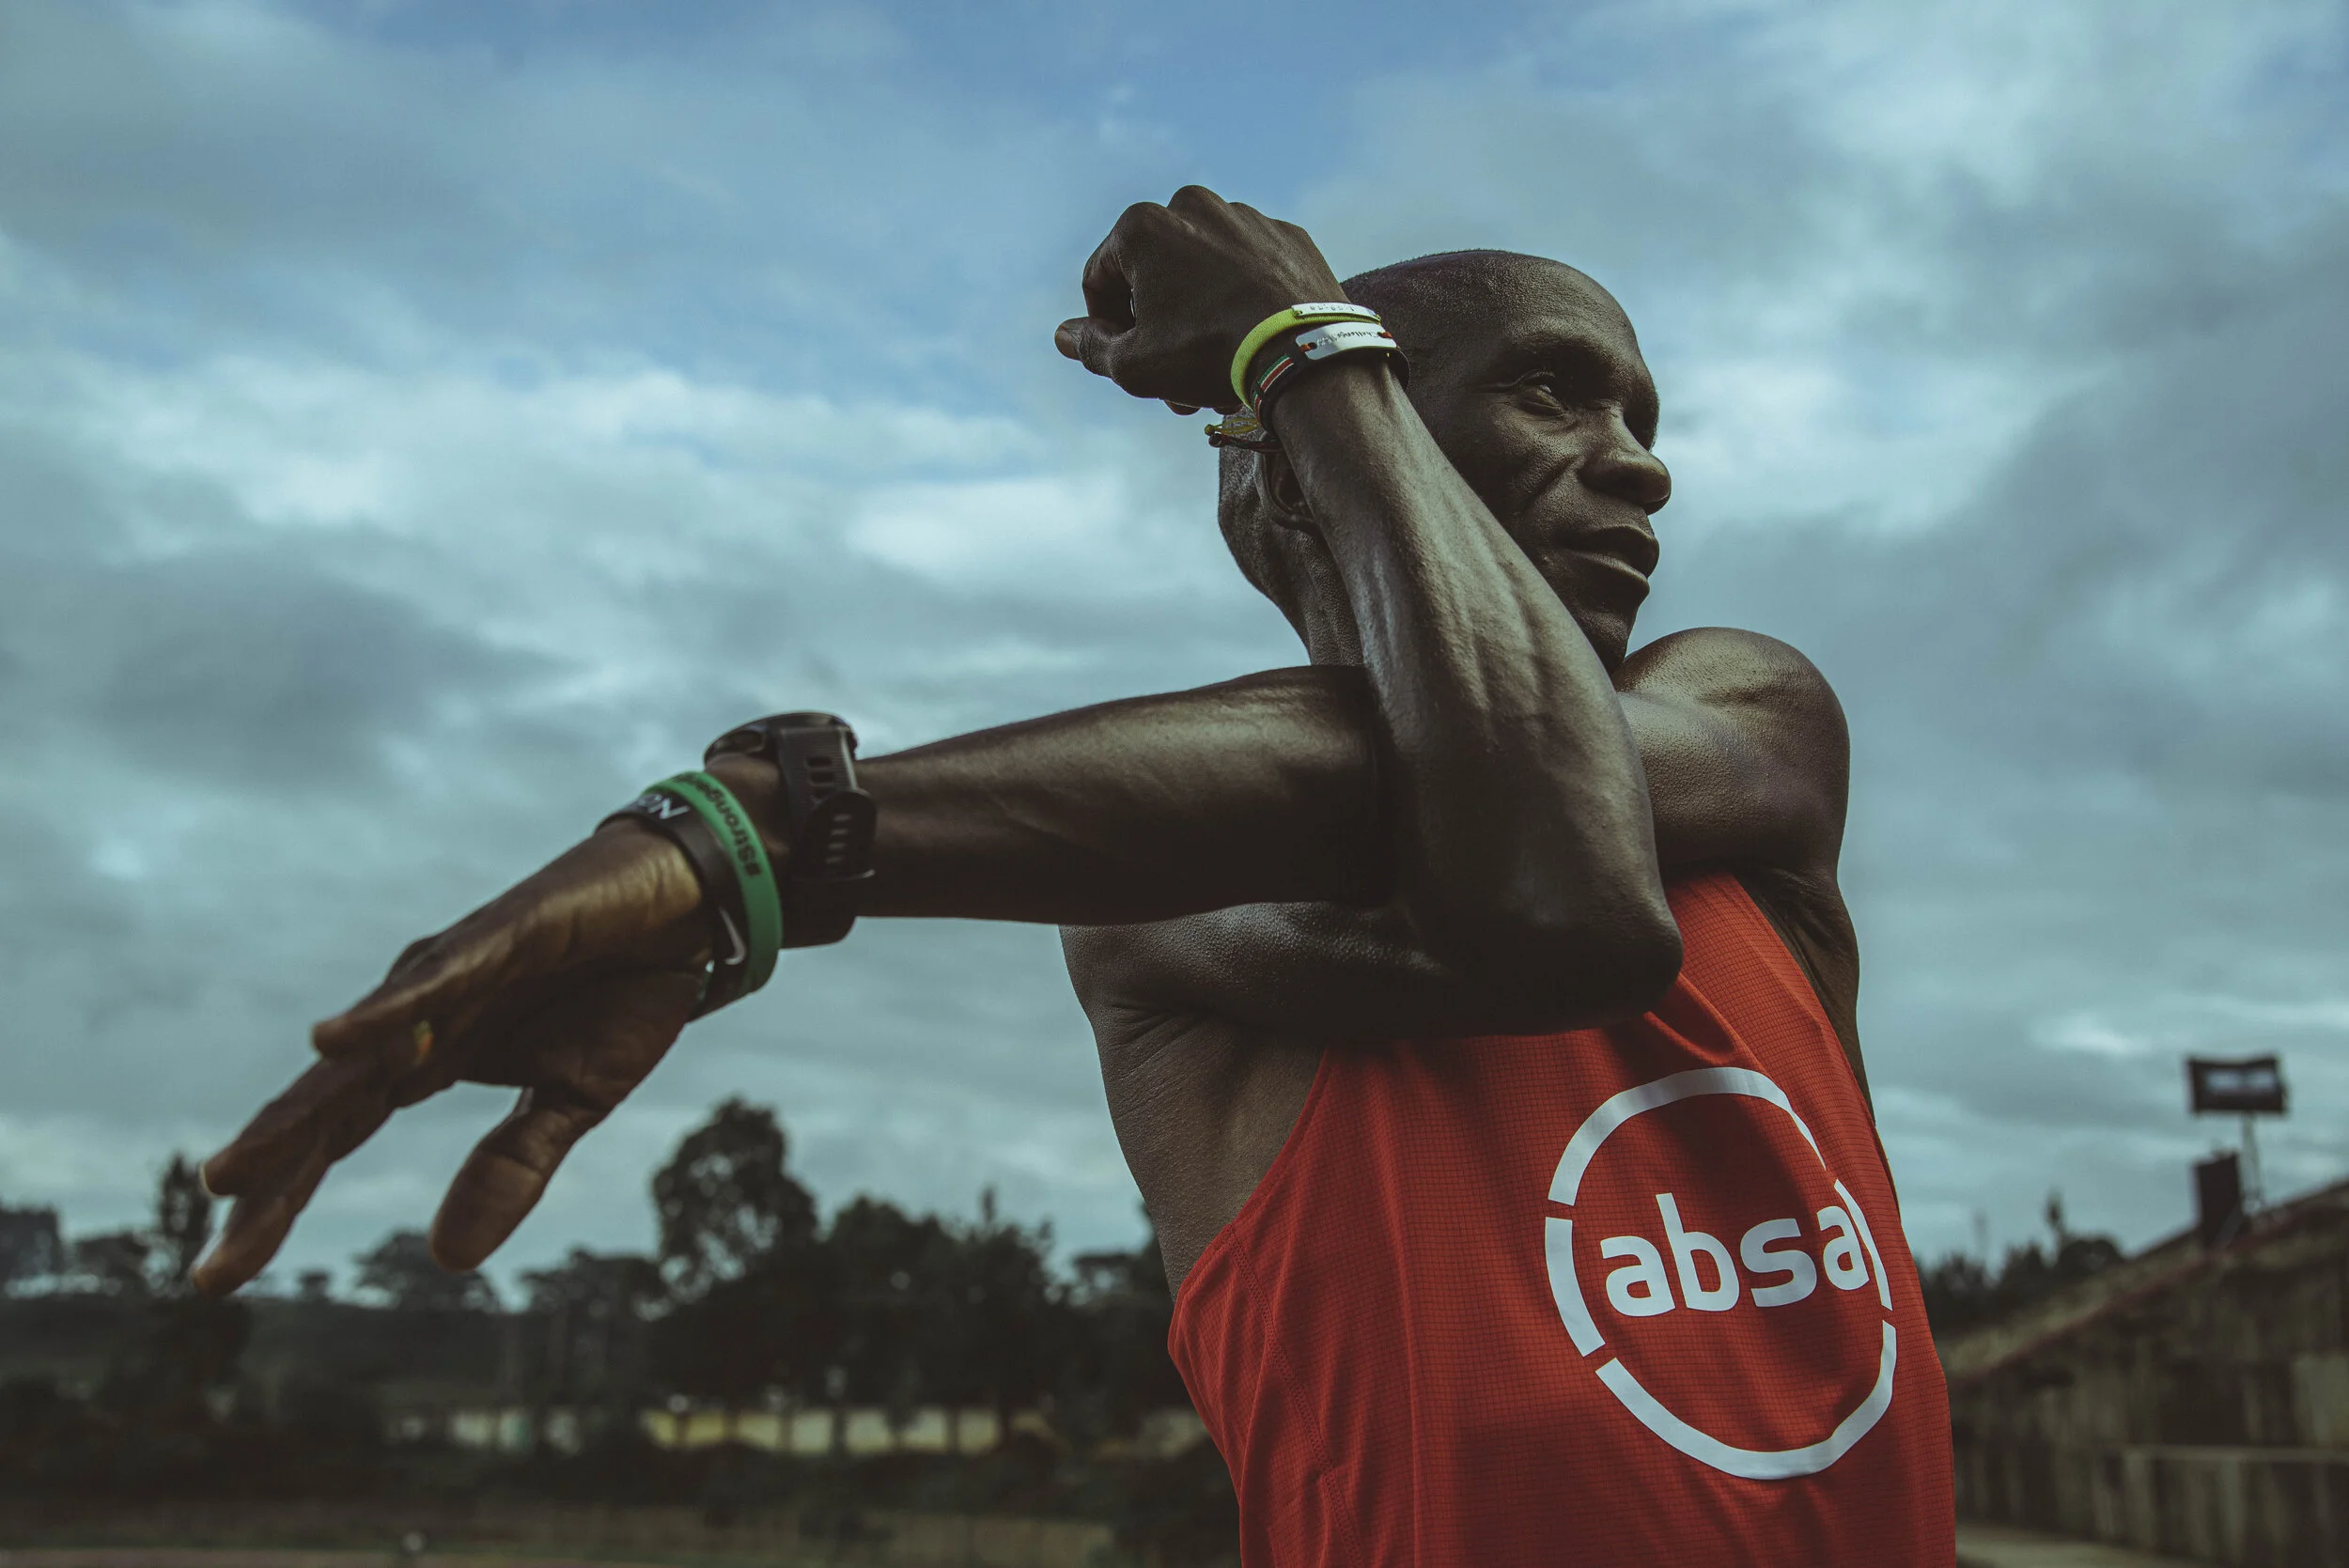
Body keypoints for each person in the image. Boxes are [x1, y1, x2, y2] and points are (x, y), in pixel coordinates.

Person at [195, 188, 1953, 1564]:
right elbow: (1537, 890)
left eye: (1644, 411)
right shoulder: (1152, 905)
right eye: (1556, 391)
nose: (1642, 459)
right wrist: (1313, 359)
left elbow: (1556, 856)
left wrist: (749, 841)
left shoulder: (1754, 716)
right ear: (1286, 482)